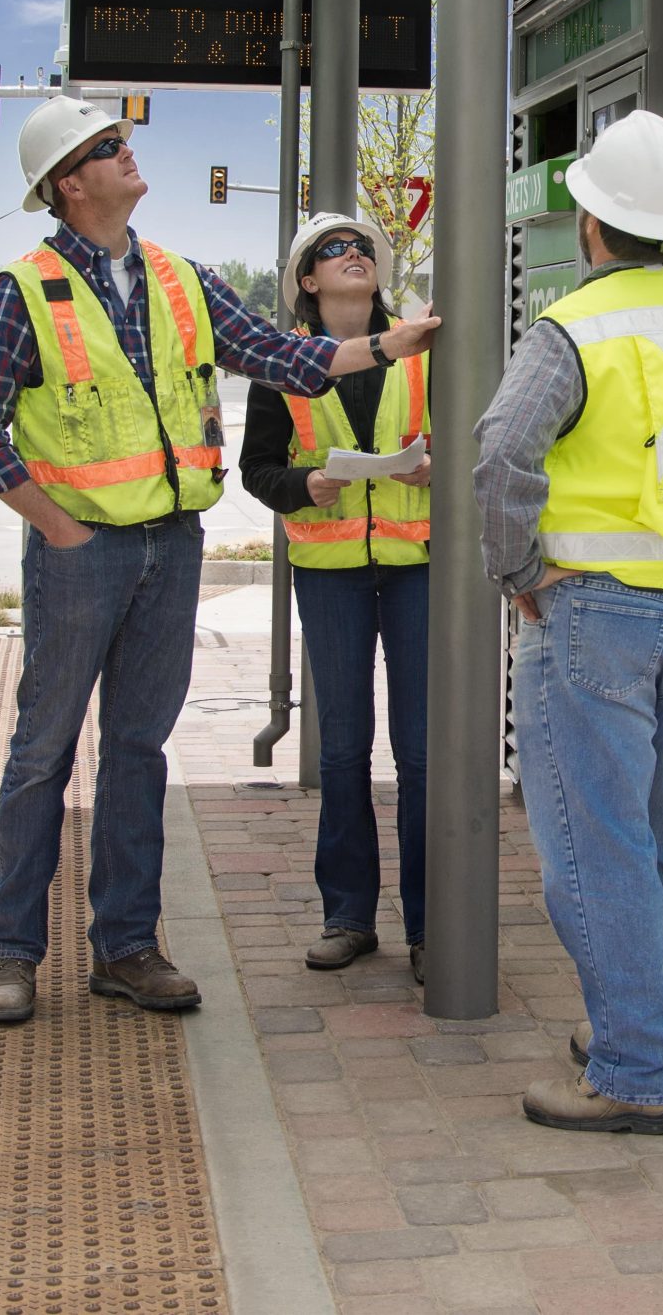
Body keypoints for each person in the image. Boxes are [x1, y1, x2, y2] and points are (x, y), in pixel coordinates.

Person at [0, 98, 439, 1024]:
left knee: (138, 751)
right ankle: (12, 952)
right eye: (109, 149)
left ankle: (127, 947)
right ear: (70, 182)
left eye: (126, 141)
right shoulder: (23, 291)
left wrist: (385, 343)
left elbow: (280, 355)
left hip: (173, 548)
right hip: (82, 554)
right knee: (42, 752)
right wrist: (59, 531)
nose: (130, 154)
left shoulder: (182, 279)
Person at [472, 109, 663, 1134]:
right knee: (651, 833)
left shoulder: (573, 328)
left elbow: (502, 452)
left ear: (591, 222)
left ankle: (637, 1069)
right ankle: (633, 1023)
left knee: (590, 851)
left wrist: (516, 573)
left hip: (592, 609)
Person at [239, 212, 433, 982]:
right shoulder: (280, 363)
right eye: (333, 250)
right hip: (330, 575)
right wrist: (307, 484)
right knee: (345, 747)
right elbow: (258, 470)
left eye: (364, 249)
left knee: (421, 752)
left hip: (417, 566)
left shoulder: (422, 348)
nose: (354, 255)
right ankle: (348, 915)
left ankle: (430, 924)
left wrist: (434, 467)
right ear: (307, 280)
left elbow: (473, 442)